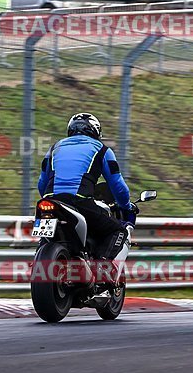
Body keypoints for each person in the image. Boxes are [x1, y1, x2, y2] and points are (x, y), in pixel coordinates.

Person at [37, 112, 135, 280]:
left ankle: (42, 255)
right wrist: (126, 206)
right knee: (118, 230)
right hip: (79, 201)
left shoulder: (54, 148)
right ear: (96, 131)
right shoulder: (102, 149)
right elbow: (117, 185)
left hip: (48, 200)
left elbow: (42, 182)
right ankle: (102, 271)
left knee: (45, 236)